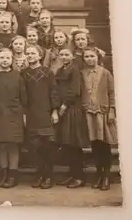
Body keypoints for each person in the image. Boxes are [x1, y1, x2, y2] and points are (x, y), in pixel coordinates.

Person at [0, 48, 27, 188]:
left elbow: (23, 97)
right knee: (1, 145)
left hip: (14, 114)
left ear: (12, 60)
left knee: (13, 145)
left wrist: (23, 114)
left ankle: (12, 175)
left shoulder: (17, 76)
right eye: (2, 57)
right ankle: (3, 173)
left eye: (7, 58)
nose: (4, 60)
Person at [22, 45, 60, 189]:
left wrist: (55, 110)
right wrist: (24, 114)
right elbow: (22, 95)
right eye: (28, 53)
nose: (30, 55)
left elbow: (54, 92)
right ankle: (40, 175)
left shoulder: (47, 72)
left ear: (40, 56)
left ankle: (49, 176)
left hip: (45, 112)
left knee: (47, 147)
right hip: (31, 114)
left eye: (33, 53)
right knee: (35, 148)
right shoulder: (23, 73)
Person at [81, 47, 117, 191]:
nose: (90, 59)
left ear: (97, 57)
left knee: (104, 144)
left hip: (102, 112)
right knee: (94, 144)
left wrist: (112, 110)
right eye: (87, 56)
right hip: (88, 112)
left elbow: (112, 92)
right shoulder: (82, 73)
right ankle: (99, 173)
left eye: (92, 56)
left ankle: (106, 175)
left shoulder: (105, 73)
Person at [54, 46, 89, 189]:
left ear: (72, 56)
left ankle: (79, 177)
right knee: (67, 144)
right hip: (63, 109)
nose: (64, 57)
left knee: (74, 144)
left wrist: (64, 105)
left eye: (67, 54)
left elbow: (74, 90)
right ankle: (71, 174)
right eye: (61, 54)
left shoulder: (75, 70)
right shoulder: (60, 70)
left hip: (72, 109)